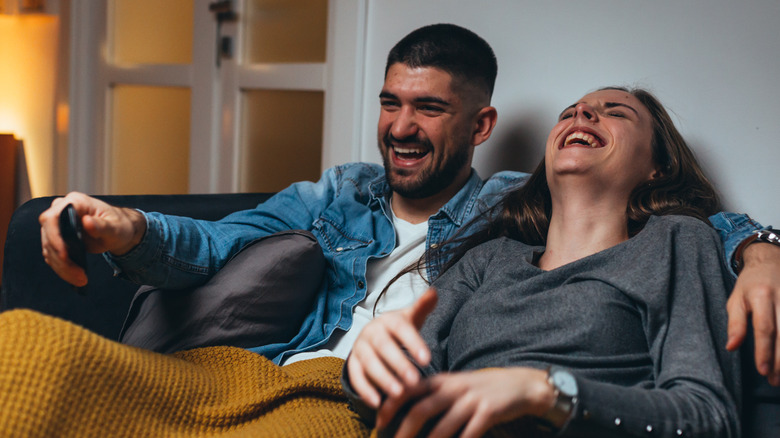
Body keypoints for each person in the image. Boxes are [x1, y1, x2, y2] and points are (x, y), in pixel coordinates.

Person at [38, 24, 780, 379]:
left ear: (480, 125)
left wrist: (761, 251)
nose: (399, 127)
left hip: (363, 400)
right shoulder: (337, 193)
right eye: (391, 102)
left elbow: (678, 219)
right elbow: (218, 243)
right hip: (274, 369)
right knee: (33, 350)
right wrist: (124, 226)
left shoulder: (516, 207)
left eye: (428, 108)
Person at [344, 87, 741, 438]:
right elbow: (407, 390)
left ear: (660, 168)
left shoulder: (676, 239)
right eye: (569, 112)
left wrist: (546, 392)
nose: (581, 114)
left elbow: (708, 416)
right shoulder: (489, 259)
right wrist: (368, 366)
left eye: (616, 112)